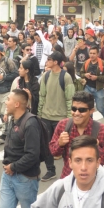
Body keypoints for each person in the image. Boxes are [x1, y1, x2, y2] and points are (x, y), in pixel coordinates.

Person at [0, 89, 43, 208]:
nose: (6, 102)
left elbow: (33, 154)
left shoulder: (30, 123)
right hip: (8, 175)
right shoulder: (15, 119)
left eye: (9, 100)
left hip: (25, 177)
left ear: (17, 104)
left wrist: (14, 167)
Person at [49, 91, 104, 179]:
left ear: (91, 111)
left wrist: (96, 148)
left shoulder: (103, 131)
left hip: (93, 183)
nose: (76, 113)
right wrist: (60, 144)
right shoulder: (63, 125)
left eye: (82, 110)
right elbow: (53, 152)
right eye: (73, 109)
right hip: (68, 179)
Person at [38, 51, 74, 181]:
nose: (47, 62)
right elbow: (42, 96)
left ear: (56, 62)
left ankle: (69, 171)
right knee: (48, 146)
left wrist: (70, 117)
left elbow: (70, 98)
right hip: (46, 117)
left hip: (61, 119)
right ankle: (50, 170)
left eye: (49, 59)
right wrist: (39, 114)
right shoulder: (46, 76)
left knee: (65, 147)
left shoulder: (66, 77)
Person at [0, 44, 18, 145]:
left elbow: (16, 74)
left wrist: (3, 78)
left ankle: (5, 134)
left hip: (7, 91)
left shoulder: (7, 61)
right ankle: (8, 130)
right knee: (1, 114)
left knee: (4, 112)